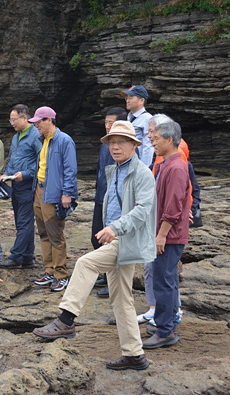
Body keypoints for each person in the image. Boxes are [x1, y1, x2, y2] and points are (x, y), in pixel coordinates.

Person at [32, 121, 157, 371]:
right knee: (122, 299)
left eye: (121, 141)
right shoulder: (115, 170)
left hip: (126, 240)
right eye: (112, 142)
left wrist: (115, 228)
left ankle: (66, 319)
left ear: (134, 145)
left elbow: (143, 210)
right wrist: (107, 228)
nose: (115, 146)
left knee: (85, 263)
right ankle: (134, 355)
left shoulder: (142, 173)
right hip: (116, 238)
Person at [142, 120, 190, 350]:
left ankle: (165, 330)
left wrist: (161, 236)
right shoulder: (166, 164)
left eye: (157, 138)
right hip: (165, 233)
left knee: (164, 281)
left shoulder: (176, 167)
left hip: (169, 236)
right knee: (165, 280)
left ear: (169, 140)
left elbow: (173, 208)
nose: (152, 141)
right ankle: (165, 325)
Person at [29, 106, 78, 292]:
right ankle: (49, 271)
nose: (36, 127)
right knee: (43, 233)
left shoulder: (64, 141)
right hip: (39, 191)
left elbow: (70, 169)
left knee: (55, 234)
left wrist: (67, 193)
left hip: (54, 194)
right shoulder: (43, 140)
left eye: (38, 122)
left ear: (49, 120)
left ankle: (60, 274)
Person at [0, 104, 41, 269]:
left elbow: (41, 161)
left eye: (14, 119)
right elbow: (12, 159)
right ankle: (27, 256)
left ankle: (16, 256)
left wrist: (26, 174)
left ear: (25, 118)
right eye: (10, 120)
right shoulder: (16, 136)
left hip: (28, 185)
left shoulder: (35, 135)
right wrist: (6, 173)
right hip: (16, 184)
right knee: (21, 221)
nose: (11, 123)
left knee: (24, 221)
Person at [93, 107, 128, 297]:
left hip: (115, 201)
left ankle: (113, 282)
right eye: (106, 123)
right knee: (97, 238)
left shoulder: (125, 149)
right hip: (101, 197)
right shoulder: (104, 145)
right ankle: (106, 276)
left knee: (112, 241)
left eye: (111, 123)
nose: (107, 126)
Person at [120, 85, 153, 167]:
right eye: (126, 98)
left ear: (141, 100)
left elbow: (148, 146)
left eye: (131, 97)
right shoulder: (129, 117)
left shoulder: (147, 118)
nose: (127, 100)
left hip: (138, 165)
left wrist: (144, 168)